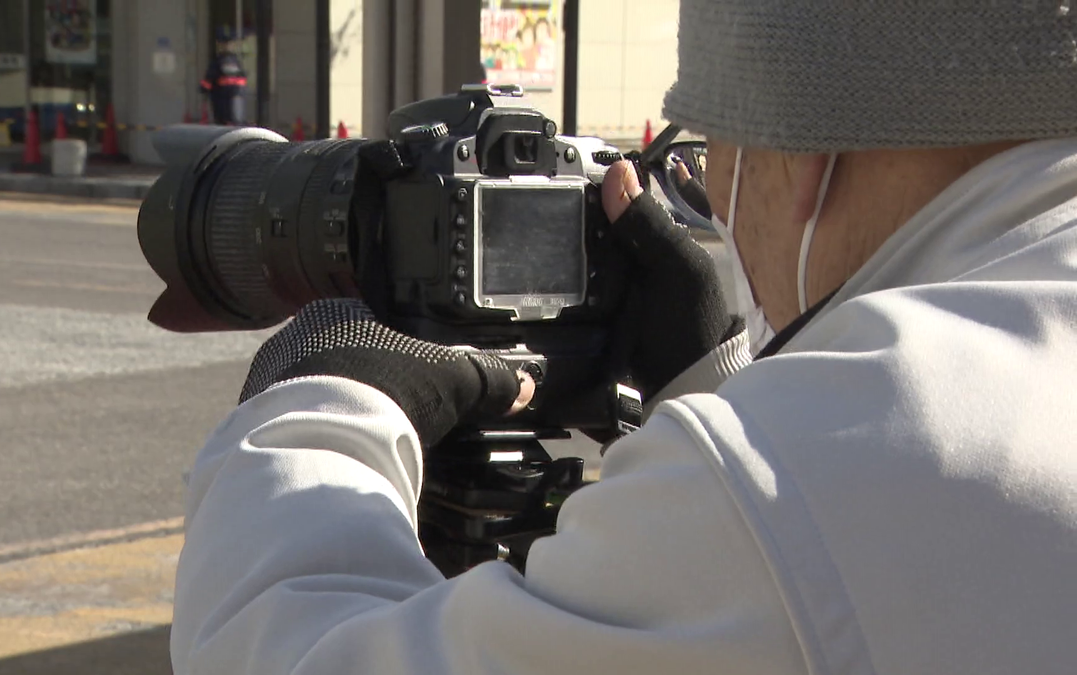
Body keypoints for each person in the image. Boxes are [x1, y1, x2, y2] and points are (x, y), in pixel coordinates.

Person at [171, 1, 1077, 673]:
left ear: (800, 155)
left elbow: (290, 657)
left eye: (712, 151)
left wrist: (319, 402)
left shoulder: (812, 467)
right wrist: (719, 381)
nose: (715, 196)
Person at [200, 32, 248, 126]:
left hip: (222, 101)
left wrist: (203, 89)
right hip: (237, 102)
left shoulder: (218, 61)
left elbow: (208, 81)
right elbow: (242, 80)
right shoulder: (236, 62)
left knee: (222, 126)